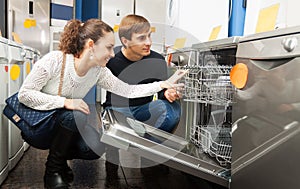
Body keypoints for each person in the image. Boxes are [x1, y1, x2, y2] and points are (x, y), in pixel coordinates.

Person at [18, 18, 187, 189]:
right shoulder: (55, 60)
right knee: (74, 115)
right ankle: (53, 171)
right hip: (39, 124)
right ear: (91, 45)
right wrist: (66, 102)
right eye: (108, 47)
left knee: (94, 147)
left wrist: (161, 85)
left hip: (65, 123)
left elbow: (127, 90)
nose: (113, 54)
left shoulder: (98, 71)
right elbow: (24, 94)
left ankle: (60, 161)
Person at [103, 14, 182, 179]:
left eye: (149, 36)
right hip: (118, 108)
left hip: (143, 108)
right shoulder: (112, 60)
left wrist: (166, 93)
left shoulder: (157, 59)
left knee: (172, 110)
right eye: (141, 38)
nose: (149, 42)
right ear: (125, 41)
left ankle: (148, 153)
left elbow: (161, 87)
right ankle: (112, 164)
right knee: (113, 130)